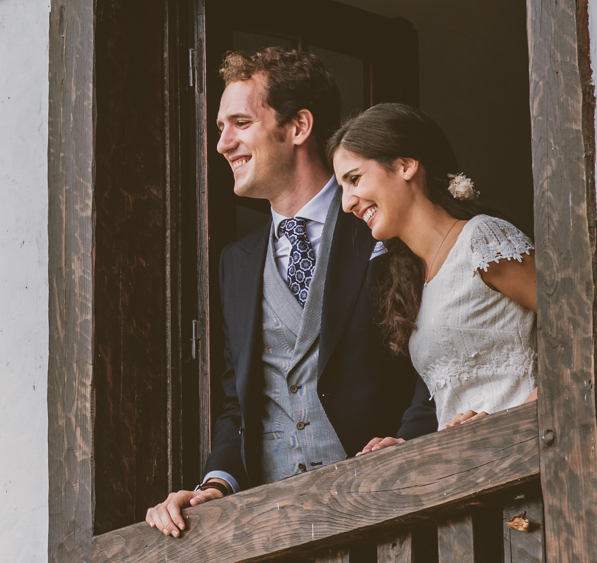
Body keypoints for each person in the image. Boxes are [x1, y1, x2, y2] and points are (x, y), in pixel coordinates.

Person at [145, 51, 435, 538]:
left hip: (389, 503)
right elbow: (240, 402)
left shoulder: (382, 220)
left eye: (240, 122)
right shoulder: (235, 261)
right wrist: (215, 483)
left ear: (299, 126)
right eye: (221, 127)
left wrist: (408, 442)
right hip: (277, 524)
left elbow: (434, 352)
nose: (222, 144)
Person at [325, 102, 538, 453]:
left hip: (525, 455)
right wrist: (409, 444)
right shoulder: (412, 277)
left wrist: (508, 423)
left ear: (405, 165)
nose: (348, 202)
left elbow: (579, 338)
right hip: (470, 472)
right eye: (342, 188)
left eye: (354, 179)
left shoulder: (482, 241)